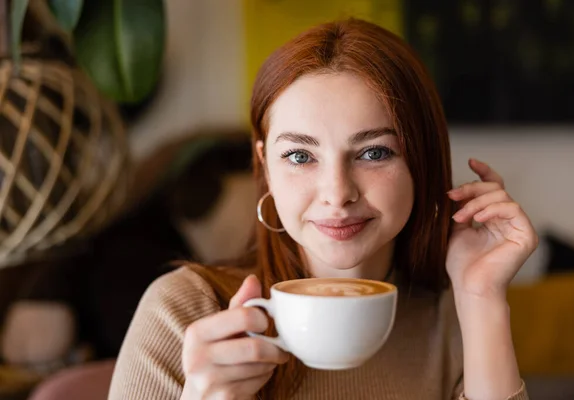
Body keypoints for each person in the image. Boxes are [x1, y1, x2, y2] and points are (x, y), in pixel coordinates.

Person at [108, 18, 536, 400]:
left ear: (421, 162)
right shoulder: (182, 311)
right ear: (265, 166)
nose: (336, 193)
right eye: (299, 156)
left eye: (373, 153)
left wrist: (480, 297)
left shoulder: (459, 315)